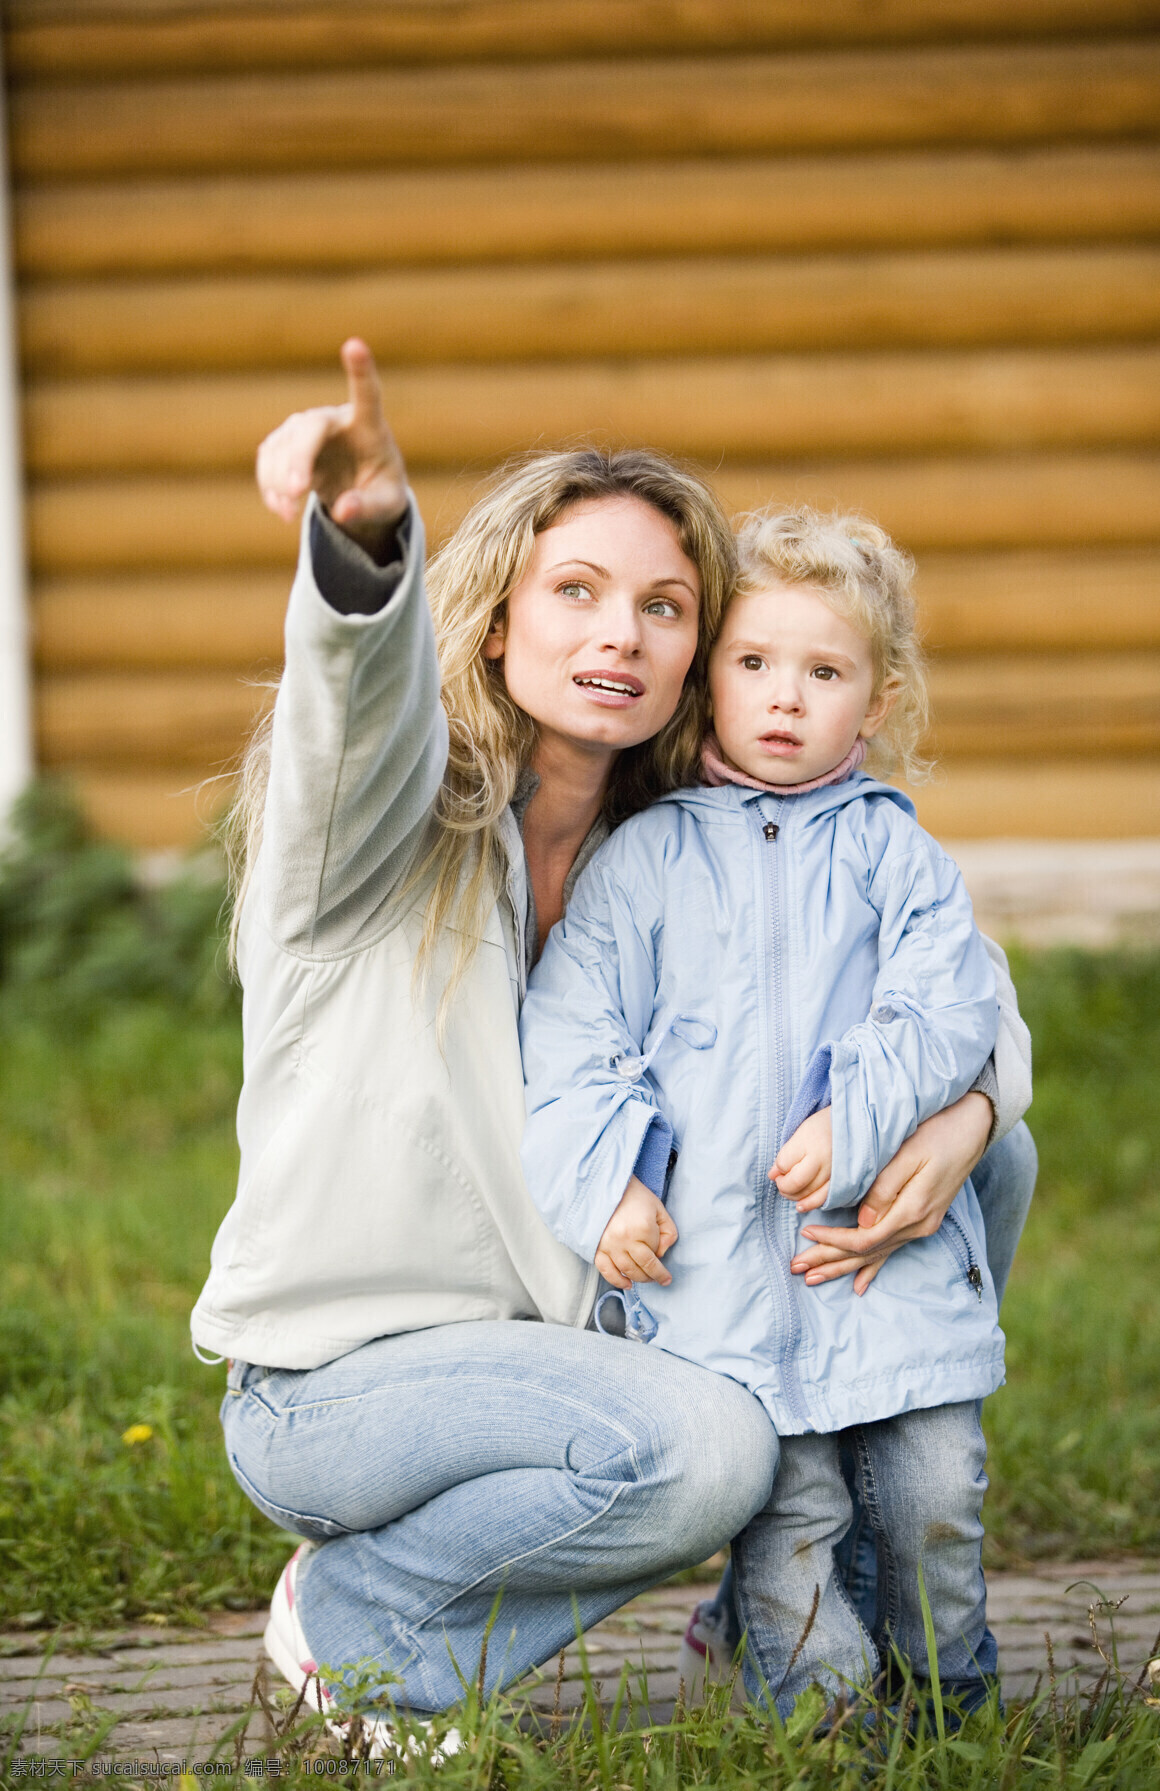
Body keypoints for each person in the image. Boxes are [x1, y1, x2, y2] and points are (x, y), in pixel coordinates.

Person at [191, 340, 1033, 1728]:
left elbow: (961, 982)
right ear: (495, 618)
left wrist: (964, 1116)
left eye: (664, 605)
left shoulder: (675, 848)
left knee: (991, 1169)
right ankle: (363, 1622)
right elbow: (360, 718)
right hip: (346, 1380)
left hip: (562, 1333)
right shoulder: (373, 835)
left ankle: (778, 1602)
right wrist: (364, 555)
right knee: (711, 1445)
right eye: (574, 591)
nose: (619, 634)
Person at [519, 507, 1016, 1717]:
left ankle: (949, 1710)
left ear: (878, 702)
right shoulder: (641, 863)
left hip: (875, 1272)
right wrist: (610, 1185)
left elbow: (950, 1004)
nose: (785, 698)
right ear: (710, 682)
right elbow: (573, 1039)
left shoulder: (902, 859)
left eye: (825, 671)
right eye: (753, 664)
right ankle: (820, 1722)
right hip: (725, 1290)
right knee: (789, 1521)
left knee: (936, 1498)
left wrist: (862, 1112)